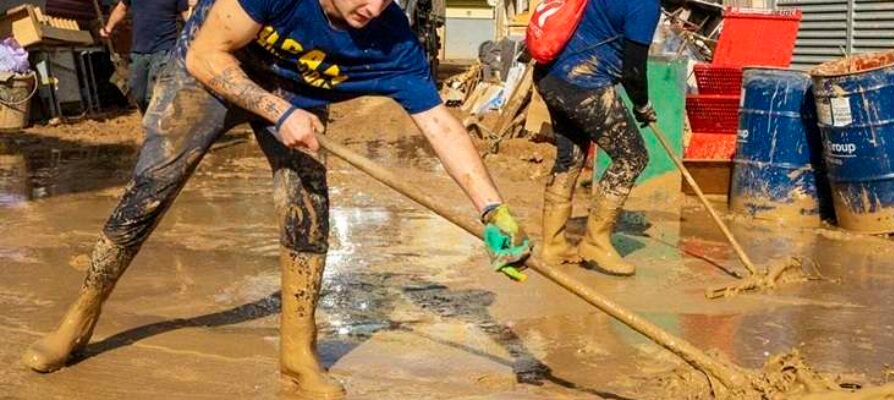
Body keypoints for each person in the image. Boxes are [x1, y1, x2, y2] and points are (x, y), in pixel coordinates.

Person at [22, 0, 532, 398]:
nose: (373, 8)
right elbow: (204, 56)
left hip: (296, 93)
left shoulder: (392, 39)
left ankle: (297, 354)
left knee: (308, 209)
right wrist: (276, 112)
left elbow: (440, 124)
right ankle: (79, 318)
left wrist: (493, 210)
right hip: (214, 67)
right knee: (151, 190)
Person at [534, 0, 660, 277]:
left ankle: (553, 245)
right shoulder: (646, 6)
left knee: (570, 159)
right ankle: (595, 242)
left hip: (550, 75)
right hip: (582, 83)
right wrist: (643, 105)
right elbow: (633, 71)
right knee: (632, 158)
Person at [100, 0, 192, 113]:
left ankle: (155, 121)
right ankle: (150, 119)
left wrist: (196, 31)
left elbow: (185, 13)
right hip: (139, 51)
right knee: (137, 94)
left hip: (164, 48)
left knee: (153, 95)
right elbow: (121, 8)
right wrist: (109, 27)